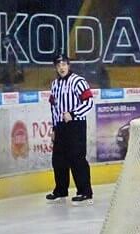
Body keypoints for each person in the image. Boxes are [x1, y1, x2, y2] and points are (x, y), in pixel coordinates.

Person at [46, 53, 93, 204]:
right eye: (58, 65)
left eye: (64, 64)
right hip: (61, 127)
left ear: (69, 65)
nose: (61, 67)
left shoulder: (78, 81)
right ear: (55, 67)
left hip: (76, 125)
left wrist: (73, 114)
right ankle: (61, 190)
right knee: (58, 159)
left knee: (77, 159)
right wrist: (54, 128)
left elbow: (89, 102)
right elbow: (54, 108)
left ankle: (85, 192)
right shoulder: (55, 85)